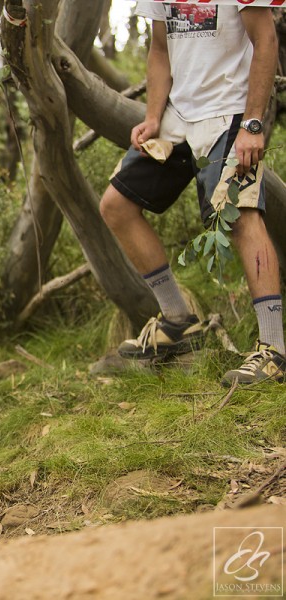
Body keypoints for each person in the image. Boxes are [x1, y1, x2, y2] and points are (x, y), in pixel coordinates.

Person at [99, 4, 281, 385]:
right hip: (178, 115)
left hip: (231, 113)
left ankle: (275, 350)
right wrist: (152, 116)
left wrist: (252, 123)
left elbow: (265, 40)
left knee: (242, 216)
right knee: (116, 206)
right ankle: (178, 322)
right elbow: (160, 48)